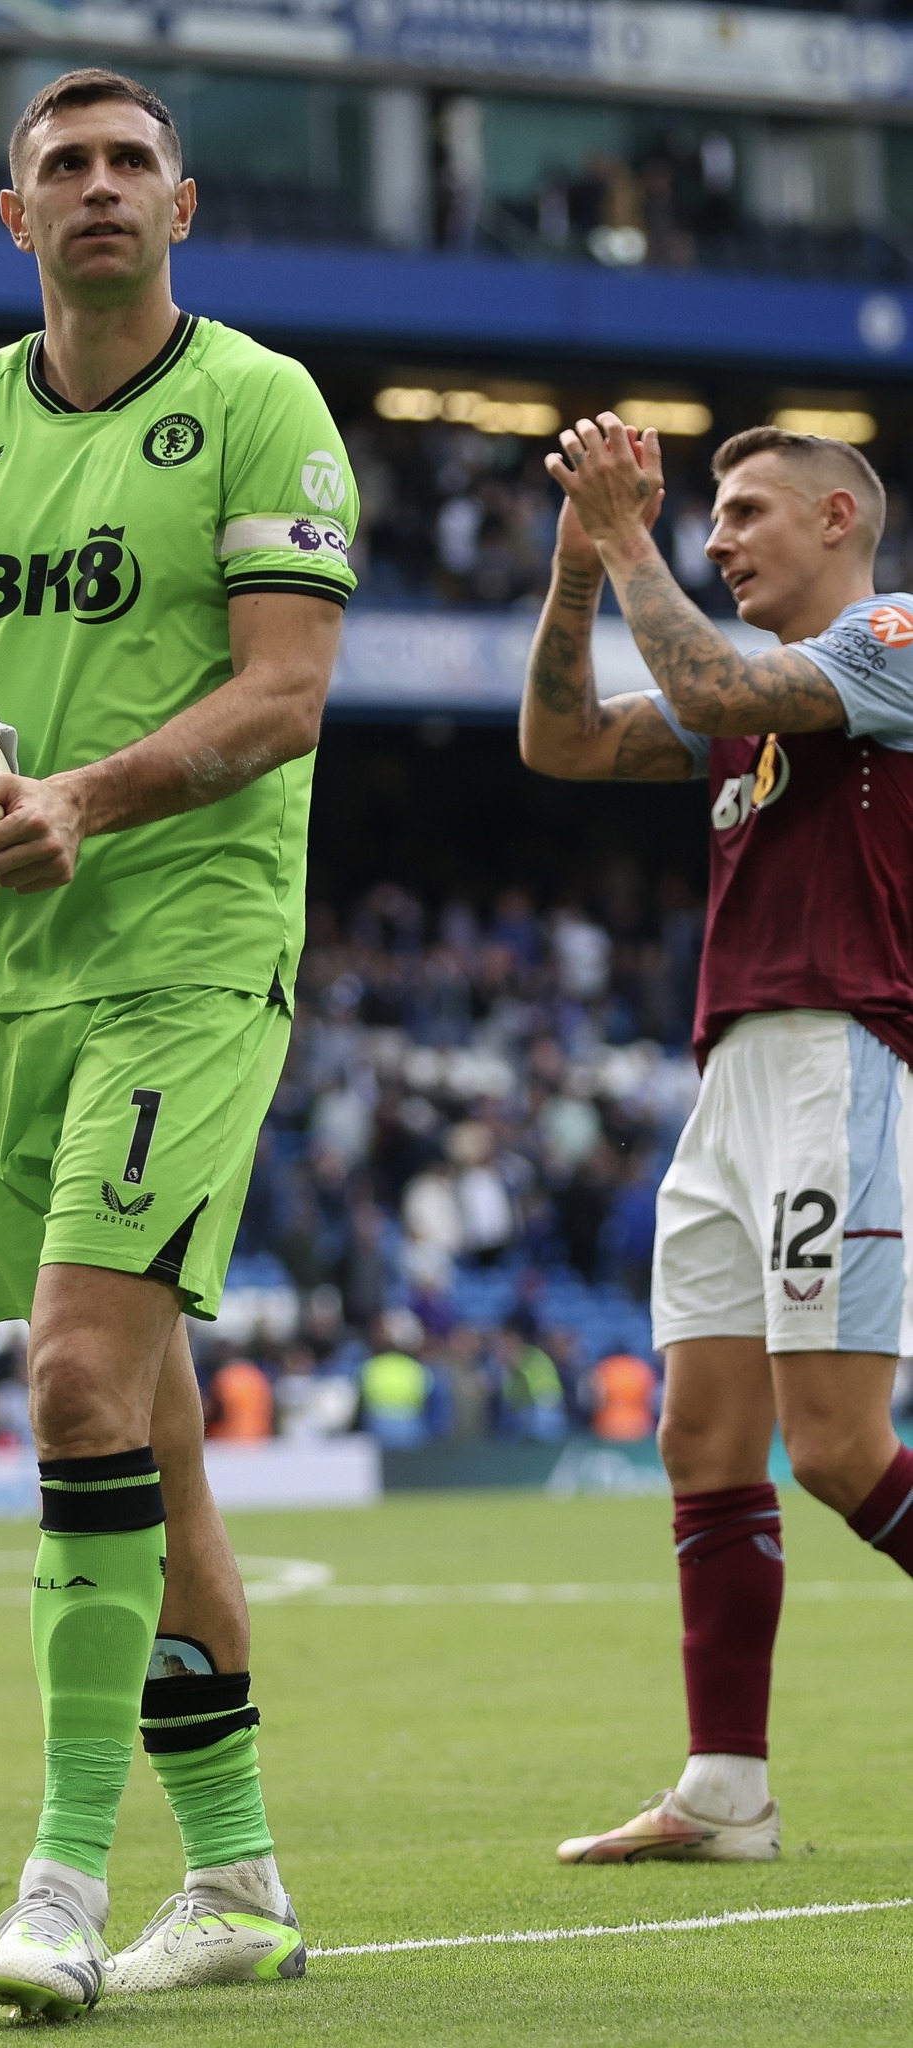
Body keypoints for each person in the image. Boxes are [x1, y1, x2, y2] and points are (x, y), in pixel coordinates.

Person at [0, 67, 355, 2017]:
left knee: (71, 1379)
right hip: (7, 972)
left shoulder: (258, 401)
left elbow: (286, 690)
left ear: (184, 204)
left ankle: (61, 1881)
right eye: (64, 164)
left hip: (188, 955)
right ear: (15, 217)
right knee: (139, 1429)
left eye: (131, 161)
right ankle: (236, 1881)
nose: (100, 186)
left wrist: (86, 799)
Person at [521, 415, 913, 1863]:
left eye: (745, 511)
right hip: (733, 1067)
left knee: (833, 1445)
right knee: (701, 1436)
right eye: (707, 517)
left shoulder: (893, 632)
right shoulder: (748, 703)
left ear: (834, 516)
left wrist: (627, 538)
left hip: (839, 1052)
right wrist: (577, 570)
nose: (716, 536)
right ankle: (724, 1790)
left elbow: (697, 667)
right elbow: (557, 739)